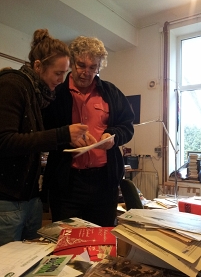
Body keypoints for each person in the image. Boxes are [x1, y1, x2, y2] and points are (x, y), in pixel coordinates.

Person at [0, 29, 95, 246]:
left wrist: (66, 139)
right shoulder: (11, 85)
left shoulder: (37, 94)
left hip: (30, 199)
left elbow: (33, 139)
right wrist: (62, 134)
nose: (61, 81)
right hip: (7, 202)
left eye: (64, 73)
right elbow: (4, 142)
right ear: (38, 66)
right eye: (57, 73)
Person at [42, 36, 134, 226]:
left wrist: (112, 137)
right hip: (67, 183)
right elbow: (43, 131)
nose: (87, 72)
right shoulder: (55, 93)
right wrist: (66, 137)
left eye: (93, 67)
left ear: (99, 67)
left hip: (104, 182)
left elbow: (127, 126)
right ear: (71, 63)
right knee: (67, 239)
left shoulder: (110, 92)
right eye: (81, 65)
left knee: (103, 240)